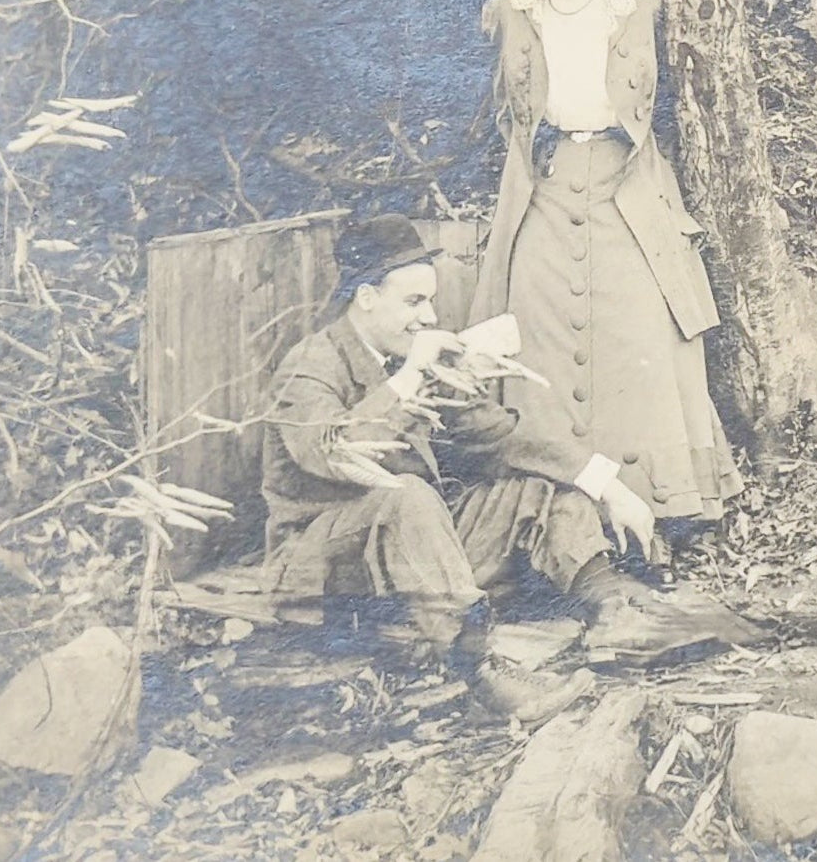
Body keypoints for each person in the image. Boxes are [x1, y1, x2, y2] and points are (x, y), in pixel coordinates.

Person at [260, 215, 738, 716]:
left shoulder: (409, 356)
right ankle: (480, 671)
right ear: (365, 297)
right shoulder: (310, 365)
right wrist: (409, 379)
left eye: (431, 300)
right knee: (406, 494)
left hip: (415, 552)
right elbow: (336, 453)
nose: (428, 317)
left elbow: (506, 438)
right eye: (413, 302)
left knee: (537, 487)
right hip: (325, 568)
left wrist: (609, 485)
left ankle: (614, 612)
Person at [465, 0, 742, 554]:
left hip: (626, 182)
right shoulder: (509, 11)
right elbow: (505, 103)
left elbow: (675, 98)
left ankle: (669, 504)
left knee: (643, 329)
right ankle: (554, 504)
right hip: (545, 181)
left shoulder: (635, 8)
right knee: (538, 329)